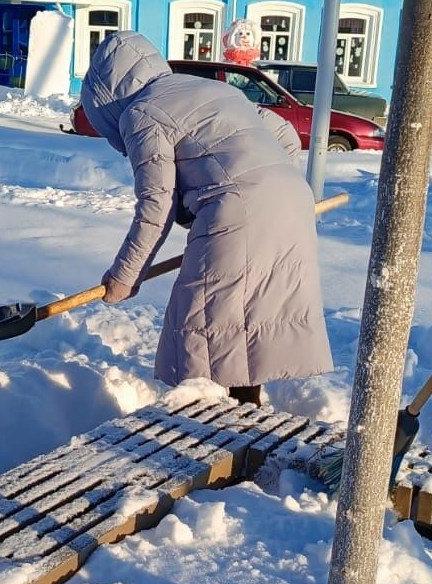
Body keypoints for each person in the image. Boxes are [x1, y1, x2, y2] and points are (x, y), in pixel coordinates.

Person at [80, 31, 332, 408]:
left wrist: (124, 276)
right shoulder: (215, 91)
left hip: (237, 215)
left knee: (205, 337)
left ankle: (217, 440)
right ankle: (246, 429)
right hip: (294, 203)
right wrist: (267, 183)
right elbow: (284, 135)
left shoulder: (142, 112)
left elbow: (155, 206)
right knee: (245, 331)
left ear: (107, 101)